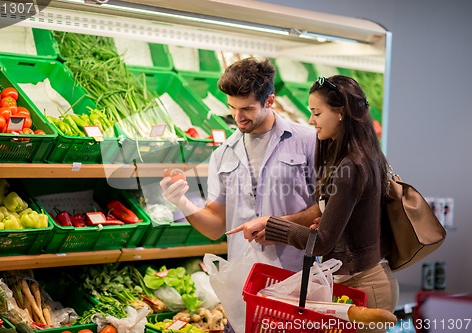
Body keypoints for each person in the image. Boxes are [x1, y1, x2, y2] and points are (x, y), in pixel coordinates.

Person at [228, 75, 399, 333]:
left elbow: (322, 242)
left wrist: (273, 226)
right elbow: (340, 217)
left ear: (340, 113)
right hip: (355, 282)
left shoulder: (351, 166)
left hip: (366, 287)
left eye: (317, 113)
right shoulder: (361, 154)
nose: (311, 121)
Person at [160, 57, 316, 272]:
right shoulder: (223, 154)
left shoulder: (308, 140)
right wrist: (182, 202)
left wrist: (279, 228)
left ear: (269, 101)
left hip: (297, 272)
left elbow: (327, 208)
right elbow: (216, 226)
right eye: (232, 107)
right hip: (243, 274)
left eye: (247, 109)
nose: (237, 117)